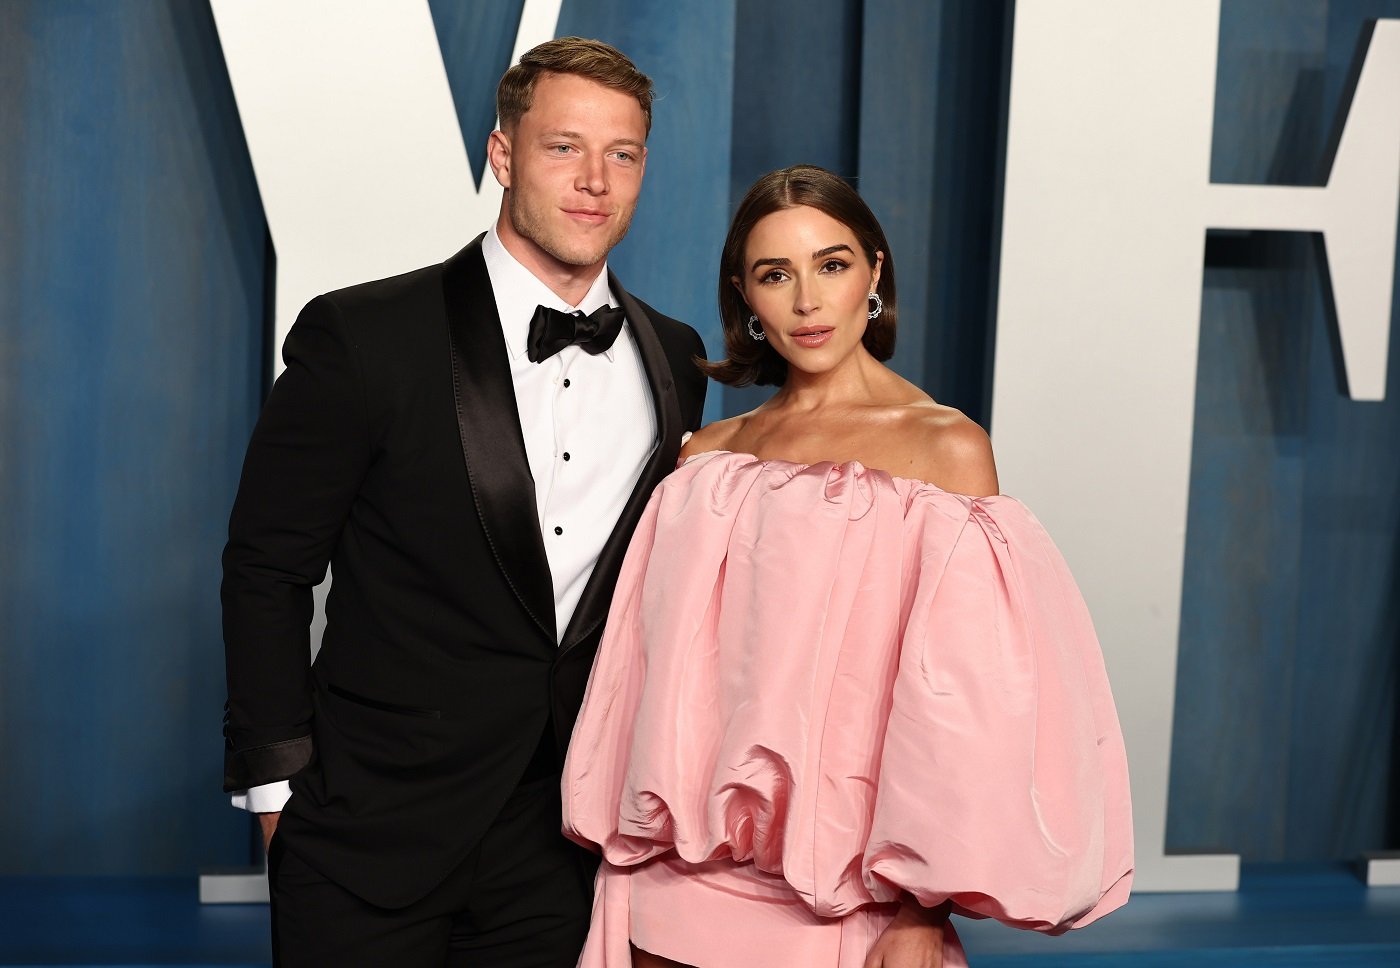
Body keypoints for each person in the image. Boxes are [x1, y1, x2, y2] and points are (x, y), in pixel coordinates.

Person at [561, 165, 1134, 968]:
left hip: (849, 909)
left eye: (831, 265)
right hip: (670, 892)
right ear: (745, 299)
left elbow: (962, 713)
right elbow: (646, 683)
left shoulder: (945, 451)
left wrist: (919, 911)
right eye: (775, 274)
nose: (806, 300)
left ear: (874, 271)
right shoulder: (706, 459)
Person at [220, 38, 707, 967]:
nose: (595, 181)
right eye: (564, 146)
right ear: (503, 155)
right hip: (368, 835)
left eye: (624, 153)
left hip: (560, 847)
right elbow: (266, 567)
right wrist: (279, 798)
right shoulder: (365, 335)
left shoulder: (675, 356)